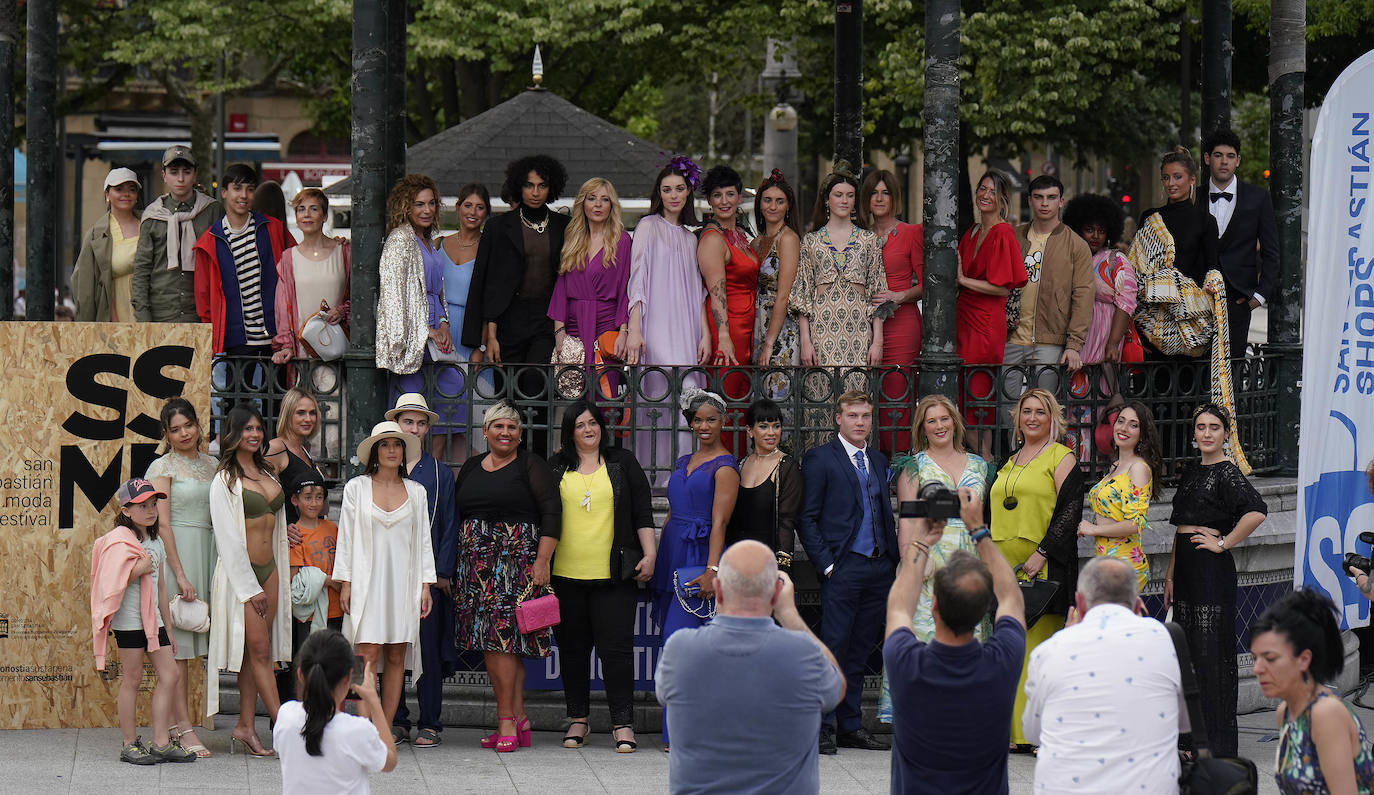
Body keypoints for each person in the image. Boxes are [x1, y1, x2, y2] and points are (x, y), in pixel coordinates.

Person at [656, 541, 844, 793]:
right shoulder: (803, 654)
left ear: (718, 591)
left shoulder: (680, 650)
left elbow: (664, 694)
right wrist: (789, 615)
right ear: (777, 594)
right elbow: (838, 688)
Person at [884, 488, 1026, 794]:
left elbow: (898, 607)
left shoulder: (906, 662)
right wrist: (979, 530)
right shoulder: (1002, 661)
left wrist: (921, 541)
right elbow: (1012, 598)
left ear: (933, 605)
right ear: (982, 610)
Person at [1022, 556, 1185, 794]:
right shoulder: (1165, 640)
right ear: (1138, 605)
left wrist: (1067, 638)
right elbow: (1179, 722)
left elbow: (1032, 731)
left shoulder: (1050, 650)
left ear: (1079, 602)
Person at [451, 400, 561, 752]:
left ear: (520, 434)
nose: (505, 432)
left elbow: (552, 514)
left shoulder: (531, 465)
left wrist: (543, 561)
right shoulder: (470, 467)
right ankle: (519, 716)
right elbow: (457, 516)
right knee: (498, 645)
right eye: (498, 426)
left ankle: (506, 722)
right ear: (485, 431)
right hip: (475, 566)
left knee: (502, 642)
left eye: (512, 427)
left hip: (516, 563)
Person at [548, 399, 657, 753]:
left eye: (593, 422)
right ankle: (578, 718)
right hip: (565, 577)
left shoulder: (622, 462)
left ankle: (622, 723)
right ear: (570, 432)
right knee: (573, 650)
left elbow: (642, 511)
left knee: (617, 651)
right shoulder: (556, 468)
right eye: (580, 424)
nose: (588, 429)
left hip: (614, 577)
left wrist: (650, 553)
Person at [878, 394, 993, 725]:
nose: (939, 426)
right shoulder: (913, 466)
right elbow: (908, 520)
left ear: (955, 422)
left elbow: (985, 518)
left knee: (968, 640)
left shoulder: (980, 466)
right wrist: (914, 562)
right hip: (929, 563)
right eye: (932, 421)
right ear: (922, 428)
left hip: (969, 560)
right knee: (925, 639)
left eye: (945, 419)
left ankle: (963, 717)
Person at [796, 390, 897, 755]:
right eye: (853, 415)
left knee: (859, 650)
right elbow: (806, 518)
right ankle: (822, 725)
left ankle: (850, 726)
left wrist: (891, 559)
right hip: (843, 566)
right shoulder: (820, 459)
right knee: (834, 647)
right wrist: (828, 565)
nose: (860, 422)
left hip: (879, 566)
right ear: (838, 419)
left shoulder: (879, 460)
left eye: (866, 416)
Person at [1165, 402, 1268, 757]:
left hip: (1211, 573)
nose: (1207, 433)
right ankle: (1189, 740)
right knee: (1187, 653)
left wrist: (1223, 543)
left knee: (1210, 656)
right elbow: (1181, 530)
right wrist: (1170, 576)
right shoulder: (1191, 472)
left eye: (1214, 427)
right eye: (1201, 427)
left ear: (1225, 434)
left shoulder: (1228, 472)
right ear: (1193, 434)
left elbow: (1256, 511)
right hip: (1186, 572)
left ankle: (1214, 743)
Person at [989, 387, 1084, 753]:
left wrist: (1043, 552)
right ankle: (1011, 732)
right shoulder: (1009, 460)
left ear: (1052, 419)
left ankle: (1034, 732)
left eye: (1040, 412)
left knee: (1035, 649)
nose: (1032, 418)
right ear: (1018, 417)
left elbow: (1070, 509)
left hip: (1038, 565)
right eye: (1026, 411)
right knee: (1009, 646)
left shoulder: (1062, 457)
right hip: (1002, 565)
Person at [649, 387, 739, 751]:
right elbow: (670, 513)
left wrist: (713, 570)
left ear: (723, 422)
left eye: (711, 419)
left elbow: (719, 524)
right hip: (673, 553)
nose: (704, 426)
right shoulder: (683, 461)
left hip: (702, 558)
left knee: (689, 648)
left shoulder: (726, 467)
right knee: (675, 649)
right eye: (698, 420)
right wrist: (656, 556)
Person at [335, 421, 437, 728]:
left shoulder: (417, 491)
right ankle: (363, 727)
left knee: (396, 657)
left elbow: (423, 541)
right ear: (375, 452)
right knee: (364, 656)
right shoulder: (356, 487)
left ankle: (383, 730)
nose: (392, 450)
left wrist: (425, 585)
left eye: (397, 445)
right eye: (385, 444)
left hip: (403, 584)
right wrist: (346, 582)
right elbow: (346, 538)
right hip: (366, 583)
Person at [90, 478, 198, 765]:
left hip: (155, 621)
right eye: (142, 506)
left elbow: (161, 586)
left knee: (171, 675)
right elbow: (108, 584)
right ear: (126, 509)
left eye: (153, 504)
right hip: (129, 622)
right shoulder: (118, 541)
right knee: (133, 679)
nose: (151, 510)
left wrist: (169, 629)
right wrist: (137, 568)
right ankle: (128, 744)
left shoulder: (156, 541)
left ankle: (161, 742)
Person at [207, 404, 292, 755]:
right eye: (247, 429)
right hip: (243, 578)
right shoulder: (224, 479)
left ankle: (245, 726)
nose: (254, 435)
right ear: (233, 433)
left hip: (271, 569)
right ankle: (288, 732)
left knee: (254, 655)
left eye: (258, 429)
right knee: (259, 652)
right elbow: (227, 540)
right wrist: (249, 588)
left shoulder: (268, 472)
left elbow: (278, 525)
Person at [625, 157, 709, 483]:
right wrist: (635, 329)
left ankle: (684, 477)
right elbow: (638, 280)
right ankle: (654, 480)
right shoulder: (647, 226)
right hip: (655, 328)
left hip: (687, 331)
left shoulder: (692, 239)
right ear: (659, 193)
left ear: (688, 192)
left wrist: (704, 335)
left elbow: (698, 293)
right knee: (658, 402)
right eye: (667, 189)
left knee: (689, 399)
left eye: (679, 189)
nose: (673, 195)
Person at [384, 394, 460, 748]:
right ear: (396, 424)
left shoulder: (440, 473)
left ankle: (431, 721)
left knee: (427, 649)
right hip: (389, 573)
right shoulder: (384, 468)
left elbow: (449, 524)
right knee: (393, 647)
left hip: (426, 576)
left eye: (420, 422)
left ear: (428, 428)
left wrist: (441, 572)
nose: (413, 428)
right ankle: (397, 719)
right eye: (407, 421)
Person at [143, 397, 217, 757]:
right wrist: (180, 573)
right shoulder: (162, 466)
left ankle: (177, 725)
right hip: (177, 559)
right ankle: (183, 729)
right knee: (179, 650)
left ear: (198, 425)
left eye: (188, 425)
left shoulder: (214, 465)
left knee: (193, 649)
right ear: (166, 434)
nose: (184, 433)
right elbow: (162, 523)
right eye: (175, 429)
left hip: (208, 552)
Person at [1252, 589, 1374, 794]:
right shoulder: (1286, 711)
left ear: (1304, 659)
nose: (1257, 669)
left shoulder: (1326, 714)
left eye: (1270, 658)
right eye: (1255, 658)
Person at [375, 175, 463, 437]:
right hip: (413, 338)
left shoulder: (428, 239)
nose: (427, 210)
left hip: (437, 333)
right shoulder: (399, 239)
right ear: (405, 206)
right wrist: (426, 331)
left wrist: (444, 324)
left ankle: (434, 469)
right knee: (412, 414)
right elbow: (392, 296)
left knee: (451, 406)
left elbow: (440, 289)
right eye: (419, 204)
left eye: (431, 203)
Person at [957, 170, 1029, 458]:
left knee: (976, 395)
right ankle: (984, 458)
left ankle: (985, 459)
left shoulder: (1003, 232)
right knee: (966, 394)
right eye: (982, 189)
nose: (985, 196)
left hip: (986, 322)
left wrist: (963, 281)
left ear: (1003, 199)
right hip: (963, 318)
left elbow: (1001, 290)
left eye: (992, 192)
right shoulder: (973, 231)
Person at [274, 629, 397, 793]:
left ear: (300, 675)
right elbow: (390, 762)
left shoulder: (286, 715)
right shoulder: (357, 729)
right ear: (348, 678)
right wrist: (373, 701)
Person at [794, 161, 887, 373]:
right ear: (827, 199)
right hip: (821, 332)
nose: (845, 200)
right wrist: (805, 341)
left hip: (860, 332)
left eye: (850, 195)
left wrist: (878, 342)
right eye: (838, 195)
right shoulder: (811, 241)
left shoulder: (868, 240)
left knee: (857, 397)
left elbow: (878, 293)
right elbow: (803, 294)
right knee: (822, 395)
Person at [1005, 174, 1094, 393]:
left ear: (1061, 201)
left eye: (1051, 197)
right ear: (1029, 200)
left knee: (1043, 409)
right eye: (1039, 197)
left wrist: (1074, 345)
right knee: (1006, 413)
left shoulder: (1076, 245)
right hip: (1010, 337)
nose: (1045, 203)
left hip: (1049, 340)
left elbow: (1083, 296)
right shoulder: (1013, 237)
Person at [193, 164, 293, 356]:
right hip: (234, 342)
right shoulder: (209, 242)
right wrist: (212, 342)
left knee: (277, 387)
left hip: (275, 339)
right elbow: (203, 299)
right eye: (237, 188)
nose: (244, 195)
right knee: (235, 387)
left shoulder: (274, 229)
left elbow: (300, 259)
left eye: (250, 189)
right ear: (223, 192)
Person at [548, 177, 633, 400]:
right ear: (582, 203)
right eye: (592, 198)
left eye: (604, 200)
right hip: (574, 330)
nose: (598, 204)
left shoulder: (622, 241)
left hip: (606, 328)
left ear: (611, 206)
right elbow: (561, 287)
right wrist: (560, 332)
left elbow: (626, 289)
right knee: (575, 400)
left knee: (606, 398)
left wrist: (624, 332)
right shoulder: (572, 238)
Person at [859, 168, 924, 452]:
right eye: (874, 192)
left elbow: (927, 285)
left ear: (895, 197)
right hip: (864, 326)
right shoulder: (859, 237)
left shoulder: (911, 233)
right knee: (866, 396)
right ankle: (872, 461)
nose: (880, 198)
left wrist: (899, 296)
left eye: (885, 192)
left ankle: (898, 465)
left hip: (902, 325)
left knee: (897, 395)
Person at [1204, 128, 1279, 360]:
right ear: (1207, 159)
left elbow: (1272, 251)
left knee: (1232, 369)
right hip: (1197, 300)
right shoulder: (1194, 197)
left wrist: (1259, 296)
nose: (1224, 161)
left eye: (1230, 156)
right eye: (1218, 155)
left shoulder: (1258, 198)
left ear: (1238, 160)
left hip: (1239, 300)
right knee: (1196, 373)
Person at [132, 145, 224, 323]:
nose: (180, 178)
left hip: (203, 314)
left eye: (186, 171)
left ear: (195, 174)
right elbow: (142, 270)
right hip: (161, 314)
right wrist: (143, 317)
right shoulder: (153, 215)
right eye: (174, 172)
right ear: (164, 176)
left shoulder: (212, 211)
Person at [433, 183, 490, 460]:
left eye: (480, 207)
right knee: (442, 416)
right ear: (457, 208)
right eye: (468, 205)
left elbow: (491, 300)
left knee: (474, 416)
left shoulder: (489, 248)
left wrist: (481, 344)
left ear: (486, 213)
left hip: (471, 334)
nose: (473, 212)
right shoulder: (437, 244)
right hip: (443, 332)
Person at [1078, 402, 1161, 590]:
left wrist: (1093, 529)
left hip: (1124, 564)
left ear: (1143, 434)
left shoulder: (1138, 468)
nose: (1123, 428)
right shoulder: (1116, 465)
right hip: (1107, 559)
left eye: (1133, 424)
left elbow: (1135, 524)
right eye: (1120, 421)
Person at [698, 165, 761, 410]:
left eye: (730, 194)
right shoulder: (713, 238)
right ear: (708, 201)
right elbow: (716, 293)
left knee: (742, 397)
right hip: (728, 326)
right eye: (717, 195)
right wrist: (723, 337)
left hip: (746, 325)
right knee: (727, 397)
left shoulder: (740, 235)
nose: (724, 201)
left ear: (739, 197)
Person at [271, 188, 351, 363]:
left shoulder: (344, 252)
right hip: (302, 352)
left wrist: (342, 311)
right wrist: (286, 345)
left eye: (314, 209)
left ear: (325, 216)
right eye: (301, 209)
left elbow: (361, 297)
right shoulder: (288, 258)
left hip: (338, 347)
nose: (306, 214)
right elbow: (282, 308)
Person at [1062, 192, 1139, 368]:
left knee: (1102, 390)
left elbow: (1126, 304)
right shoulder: (1068, 258)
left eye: (1102, 231)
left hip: (1105, 339)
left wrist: (1113, 343)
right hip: (1071, 338)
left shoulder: (1116, 260)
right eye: (1089, 230)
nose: (1096, 235)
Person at [726, 398, 802, 568]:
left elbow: (787, 521)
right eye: (763, 426)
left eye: (776, 426)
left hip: (768, 565)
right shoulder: (740, 464)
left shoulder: (787, 467)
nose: (771, 432)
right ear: (750, 431)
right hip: (735, 561)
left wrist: (781, 568)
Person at [750, 169, 802, 401]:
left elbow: (783, 295)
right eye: (767, 200)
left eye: (779, 201)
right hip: (757, 323)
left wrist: (770, 342)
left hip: (780, 329)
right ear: (760, 203)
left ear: (788, 206)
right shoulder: (757, 241)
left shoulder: (788, 239)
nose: (773, 206)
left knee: (778, 398)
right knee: (759, 400)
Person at [73, 167, 142, 321]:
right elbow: (83, 285)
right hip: (114, 314)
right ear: (107, 194)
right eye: (119, 189)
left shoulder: (150, 225)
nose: (126, 194)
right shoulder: (95, 235)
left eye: (132, 189)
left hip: (150, 312)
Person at [287, 478, 342, 639]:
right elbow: (296, 578)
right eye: (308, 497)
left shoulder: (332, 528)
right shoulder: (295, 535)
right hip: (309, 612)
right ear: (295, 500)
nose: (314, 503)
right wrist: (331, 581)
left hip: (338, 607)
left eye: (319, 497)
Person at [265, 386, 325, 524]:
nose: (308, 419)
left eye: (312, 413)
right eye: (301, 413)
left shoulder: (303, 450)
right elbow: (261, 500)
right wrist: (283, 529)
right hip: (288, 540)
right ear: (287, 415)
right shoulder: (276, 448)